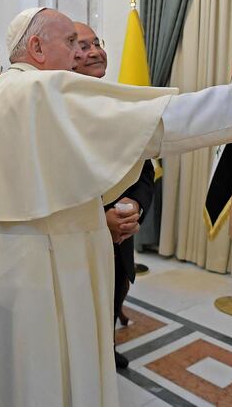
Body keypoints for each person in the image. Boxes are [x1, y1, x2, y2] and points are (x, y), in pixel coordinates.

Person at [0, 7, 232, 406]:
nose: (79, 54)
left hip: (0, 261)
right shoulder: (40, 89)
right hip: (40, 266)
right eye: (71, 44)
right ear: (36, 47)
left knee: (7, 378)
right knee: (44, 377)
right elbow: (156, 121)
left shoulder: (0, 91)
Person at [74, 21, 154, 370]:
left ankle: (105, 347)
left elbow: (145, 169)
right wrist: (97, 218)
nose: (95, 51)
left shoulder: (121, 103)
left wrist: (134, 204)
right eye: (83, 45)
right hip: (76, 239)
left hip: (119, 233)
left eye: (97, 43)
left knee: (115, 291)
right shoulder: (55, 107)